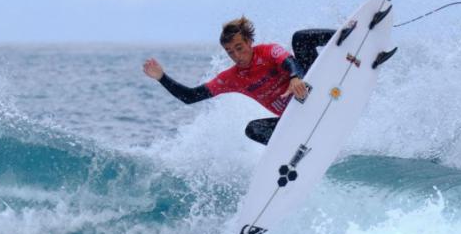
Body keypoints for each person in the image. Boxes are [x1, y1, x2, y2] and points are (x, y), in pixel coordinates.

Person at [142, 17, 335, 145]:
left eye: (239, 47)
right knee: (253, 130)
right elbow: (190, 96)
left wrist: (295, 78)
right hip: (294, 117)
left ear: (249, 42)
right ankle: (295, 144)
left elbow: (288, 61)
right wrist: (161, 77)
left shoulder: (267, 51)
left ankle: (354, 36)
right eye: (230, 51)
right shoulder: (231, 78)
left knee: (301, 39)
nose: (236, 55)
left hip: (312, 90)